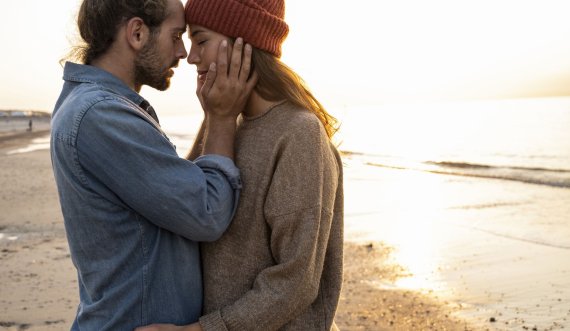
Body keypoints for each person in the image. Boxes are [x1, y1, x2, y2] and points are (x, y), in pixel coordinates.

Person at [138, 0, 344, 330]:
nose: (191, 57)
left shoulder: (299, 134)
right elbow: (189, 217)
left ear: (243, 43)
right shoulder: (223, 123)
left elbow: (297, 280)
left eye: (201, 40)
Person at [50, 0, 256, 329]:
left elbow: (179, 194)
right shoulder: (101, 115)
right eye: (176, 36)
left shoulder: (95, 106)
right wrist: (221, 118)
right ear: (137, 33)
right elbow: (206, 212)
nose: (183, 53)